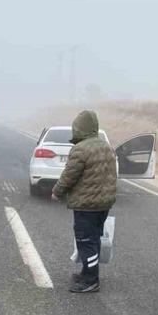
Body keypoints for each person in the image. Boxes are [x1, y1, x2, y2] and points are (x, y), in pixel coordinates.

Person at [51, 109, 117, 293]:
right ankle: (87, 272)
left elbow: (69, 175)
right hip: (103, 204)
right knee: (94, 239)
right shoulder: (106, 147)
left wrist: (57, 192)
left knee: (85, 241)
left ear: (78, 128)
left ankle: (90, 279)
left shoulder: (80, 149)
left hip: (86, 205)